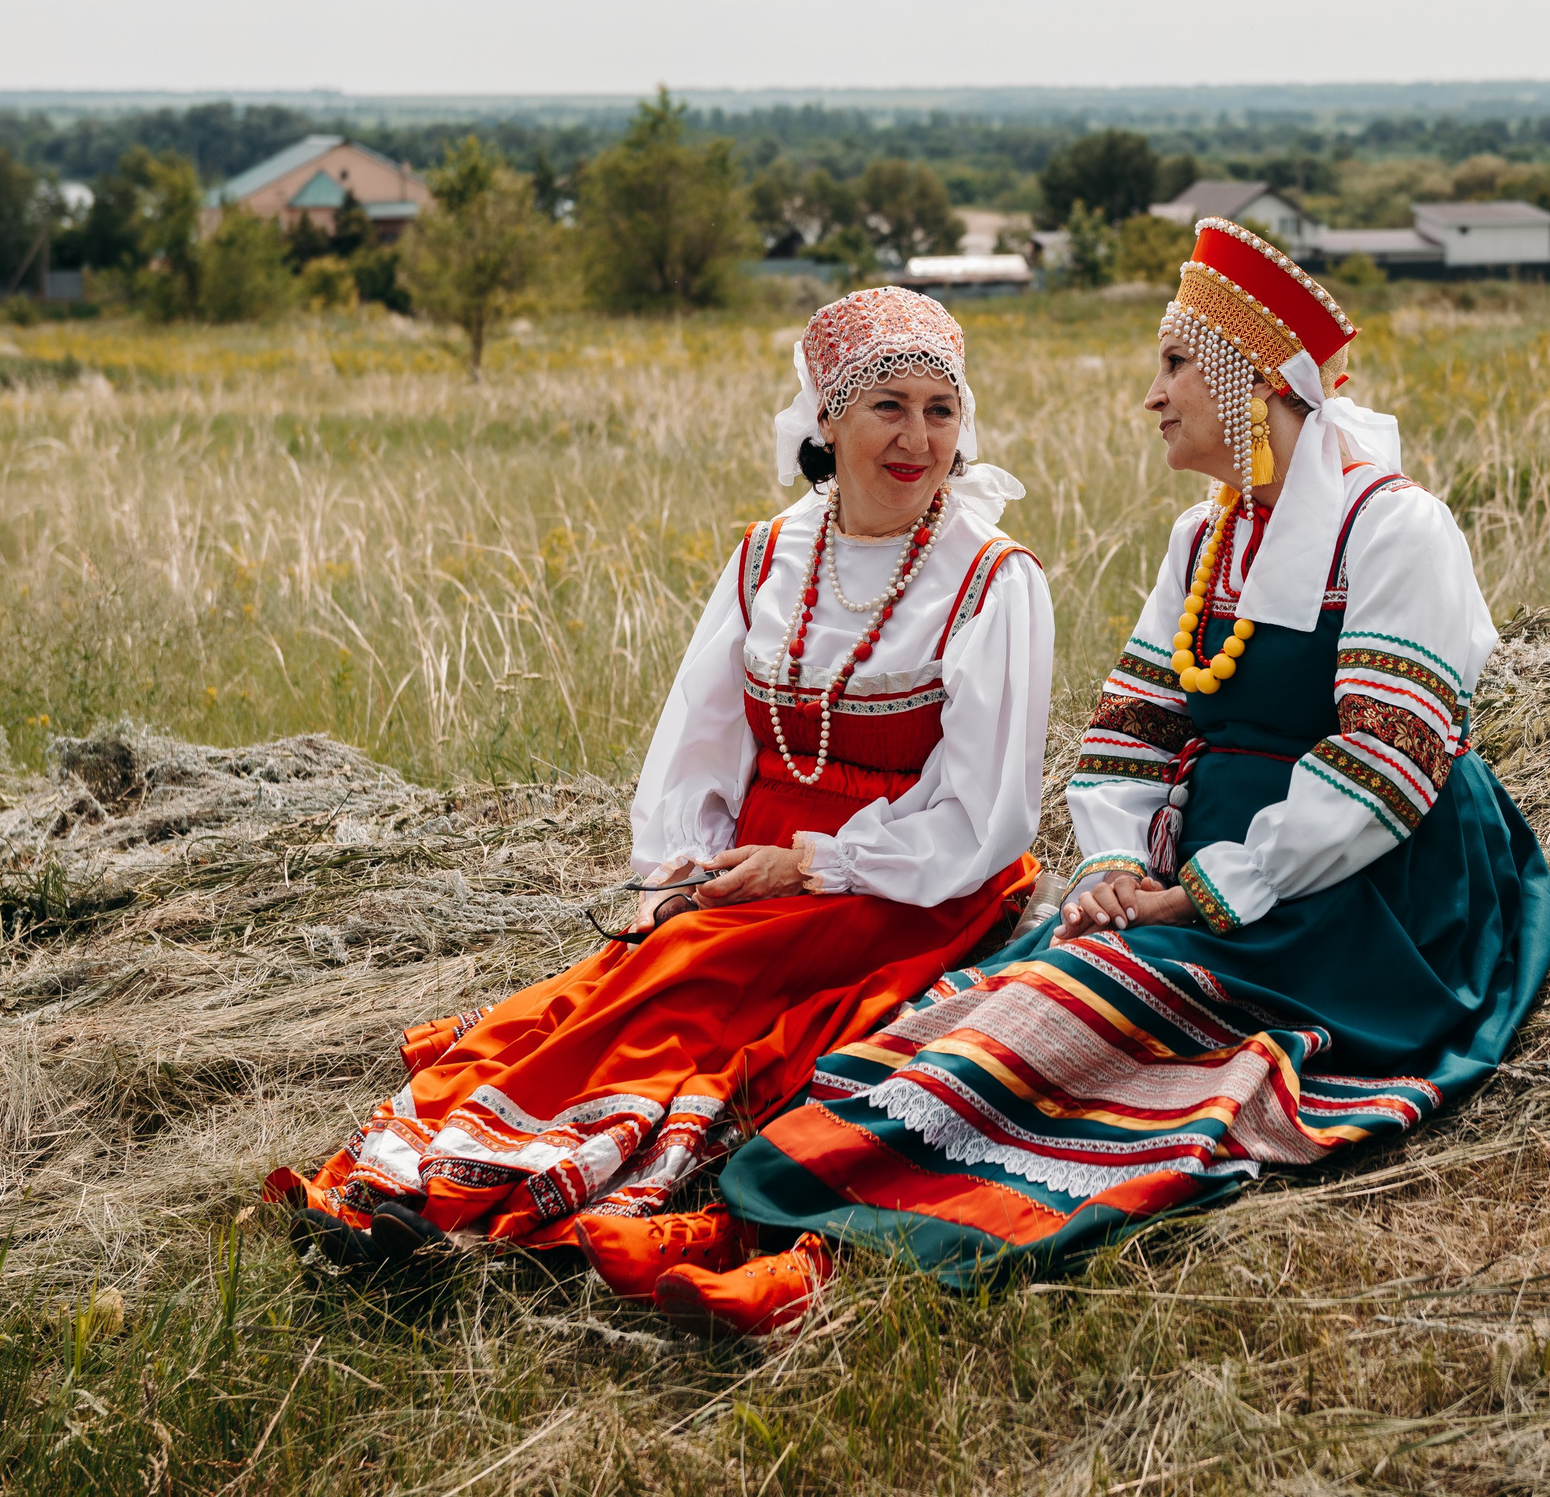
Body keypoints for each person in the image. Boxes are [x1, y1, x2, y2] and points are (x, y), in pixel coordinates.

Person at [648, 220, 1550, 1335]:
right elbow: (1130, 731)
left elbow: (1388, 757)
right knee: (950, 1017)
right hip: (1207, 874)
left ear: (1249, 378)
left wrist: (1207, 891)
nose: (1153, 395)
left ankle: (823, 1262)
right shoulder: (1202, 538)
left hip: (1361, 894)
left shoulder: (1394, 527)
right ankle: (745, 1221)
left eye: (1175, 364)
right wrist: (1118, 863)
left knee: (1064, 1033)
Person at [263, 286, 1053, 1300]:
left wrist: (813, 863)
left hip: (907, 881)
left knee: (687, 995)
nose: (918, 439)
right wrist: (678, 870)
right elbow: (698, 747)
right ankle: (414, 1193)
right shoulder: (771, 556)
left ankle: (487, 1211)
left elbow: (986, 814)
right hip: (754, 867)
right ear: (826, 418)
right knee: (619, 982)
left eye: (940, 411)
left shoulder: (992, 579)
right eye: (887, 407)